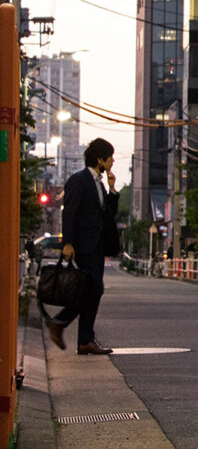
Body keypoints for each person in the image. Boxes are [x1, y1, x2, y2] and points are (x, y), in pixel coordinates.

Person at [47, 138, 119, 355]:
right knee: (93, 288)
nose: (113, 161)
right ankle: (64, 326)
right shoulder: (79, 180)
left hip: (96, 245)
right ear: (100, 159)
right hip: (83, 245)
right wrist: (67, 243)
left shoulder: (99, 182)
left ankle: (83, 338)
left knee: (91, 289)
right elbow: (69, 212)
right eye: (110, 157)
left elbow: (109, 215)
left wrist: (113, 189)